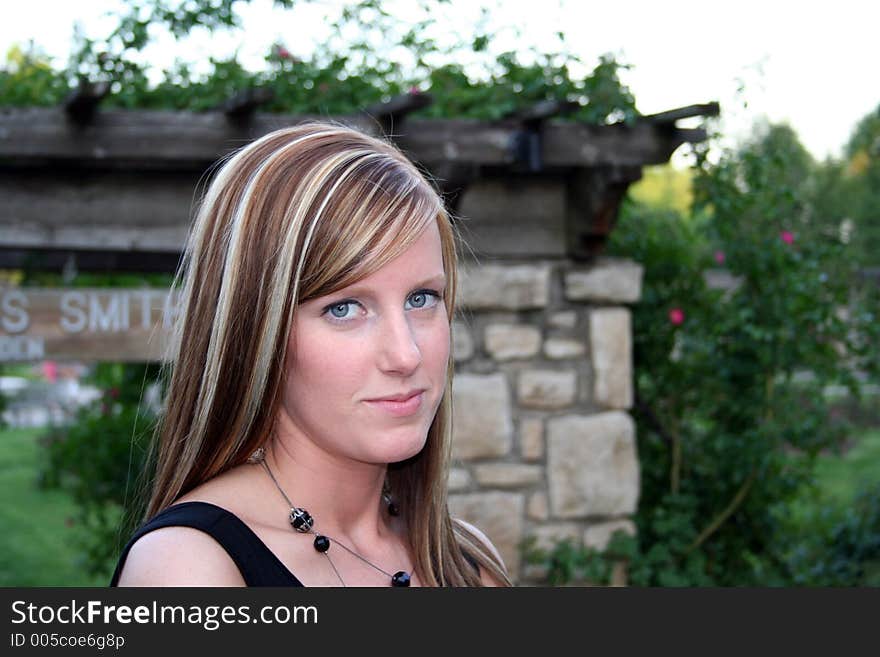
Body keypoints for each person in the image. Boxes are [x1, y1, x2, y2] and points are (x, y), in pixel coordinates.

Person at [111, 120, 511, 587]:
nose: (406, 355)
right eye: (345, 308)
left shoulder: (466, 562)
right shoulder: (188, 568)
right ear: (257, 330)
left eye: (421, 299)